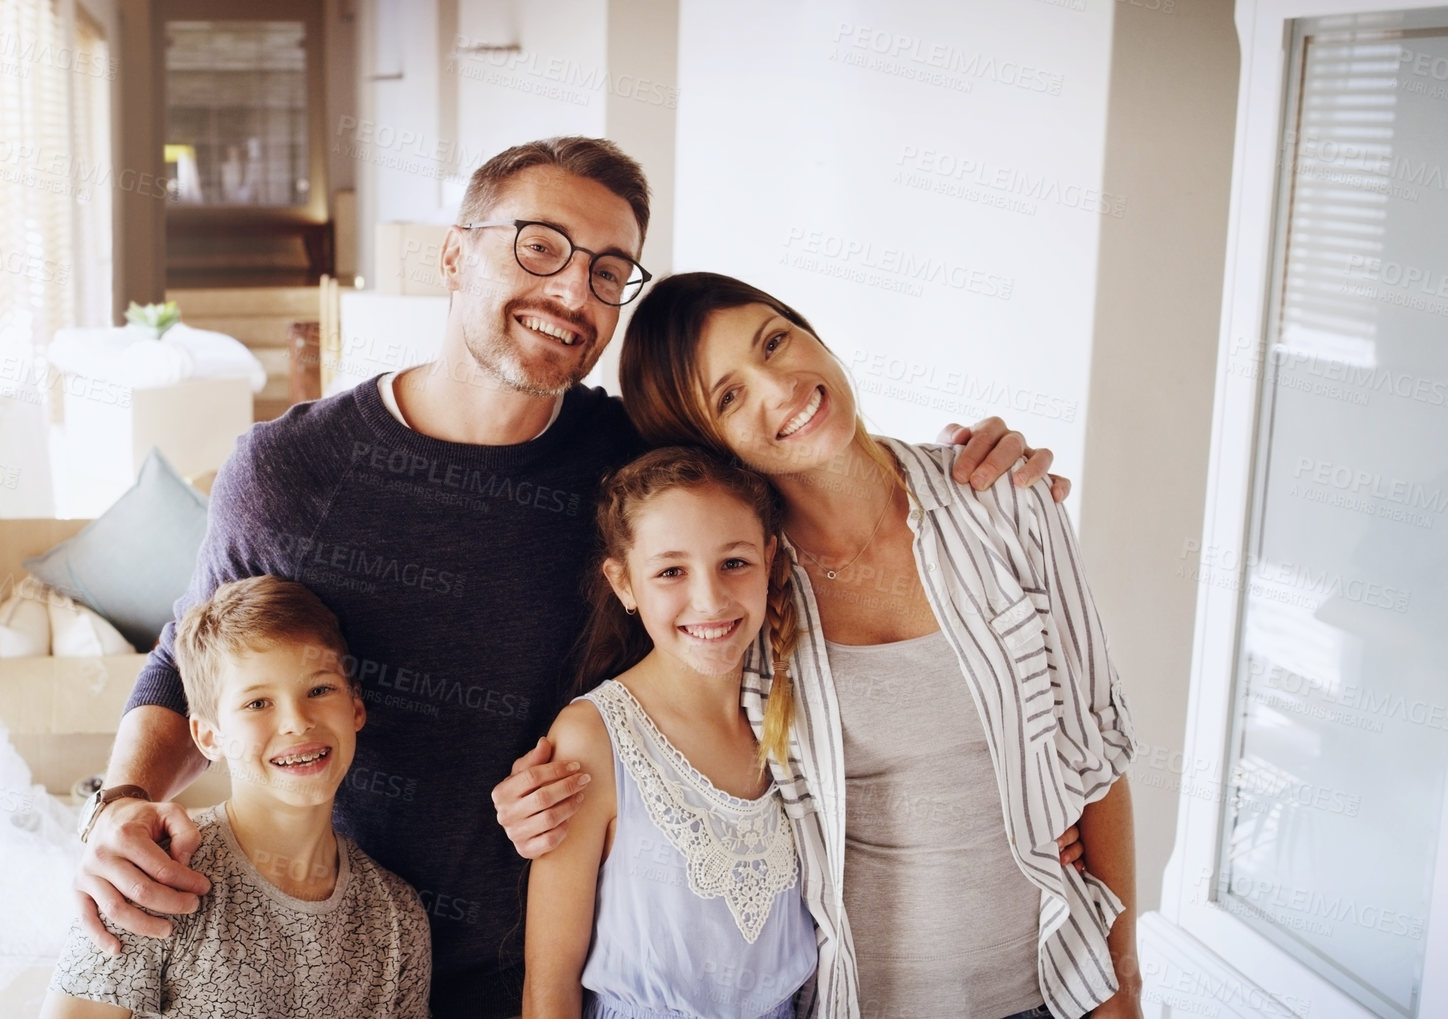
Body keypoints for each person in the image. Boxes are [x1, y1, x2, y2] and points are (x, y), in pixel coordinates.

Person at [73, 136, 1066, 1019]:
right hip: (363, 949)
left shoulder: (628, 460)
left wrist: (962, 470)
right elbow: (187, 651)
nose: (571, 291)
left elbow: (785, 466)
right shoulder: (291, 471)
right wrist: (121, 795)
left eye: (607, 270)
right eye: (539, 246)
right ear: (454, 254)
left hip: (591, 961)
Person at [506, 272, 1140, 1019]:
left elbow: (1099, 756)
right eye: (731, 396)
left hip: (1058, 985)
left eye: (774, 342)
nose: (781, 388)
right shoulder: (746, 593)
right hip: (857, 1001)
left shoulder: (1004, 499)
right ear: (710, 442)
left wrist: (1123, 981)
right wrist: (546, 797)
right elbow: (668, 751)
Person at [44, 575, 431, 1018]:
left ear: (356, 708)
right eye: (257, 703)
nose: (297, 722)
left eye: (319, 690)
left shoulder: (398, 916)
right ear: (208, 736)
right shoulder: (147, 880)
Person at [523, 447, 816, 1019]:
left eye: (734, 562)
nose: (709, 599)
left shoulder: (795, 716)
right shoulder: (594, 738)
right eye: (671, 571)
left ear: (770, 558)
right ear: (624, 583)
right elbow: (548, 982)